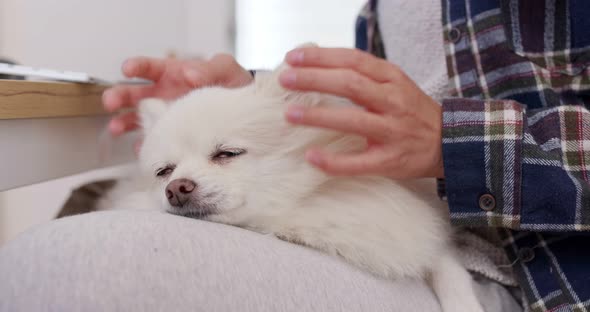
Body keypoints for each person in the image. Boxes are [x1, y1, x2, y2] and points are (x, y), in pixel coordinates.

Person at [1, 0, 588, 311]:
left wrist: (454, 143)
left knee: (80, 268)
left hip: (548, 280)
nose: (177, 183)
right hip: (445, 245)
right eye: (167, 172)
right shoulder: (381, 9)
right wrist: (238, 102)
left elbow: (423, 131)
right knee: (80, 207)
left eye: (226, 153)